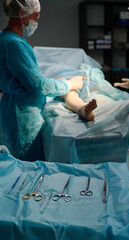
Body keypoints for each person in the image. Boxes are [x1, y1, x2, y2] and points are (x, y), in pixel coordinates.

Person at [0, 0, 97, 161]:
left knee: (63, 89)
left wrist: (61, 84)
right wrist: (69, 84)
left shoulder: (6, 39)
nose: (36, 21)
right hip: (23, 114)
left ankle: (80, 107)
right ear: (21, 13)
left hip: (14, 106)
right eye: (35, 17)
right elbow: (37, 85)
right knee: (28, 167)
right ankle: (80, 108)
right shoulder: (13, 44)